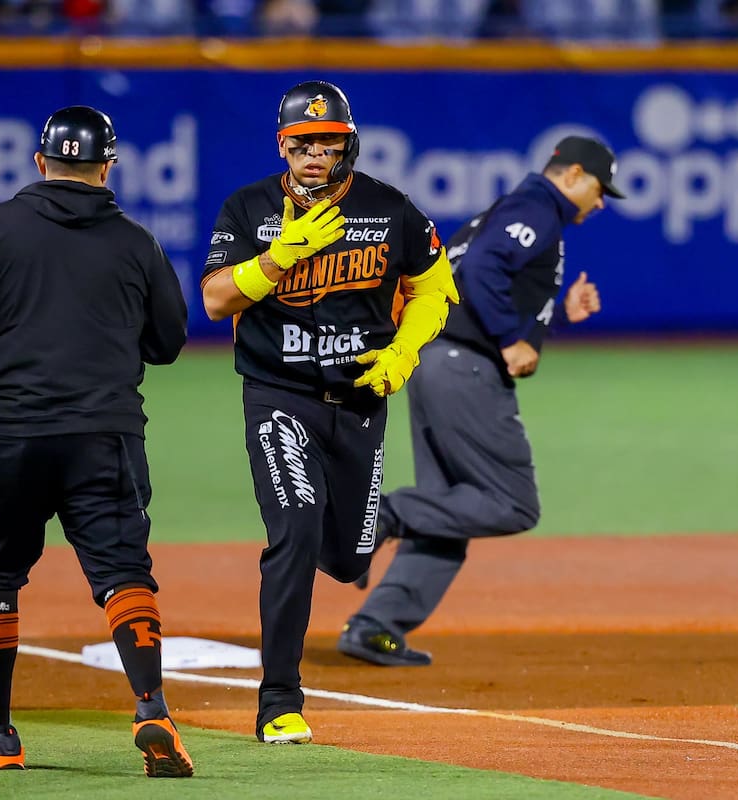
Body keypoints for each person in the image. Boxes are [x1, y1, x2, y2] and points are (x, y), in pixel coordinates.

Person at [0, 105, 194, 777]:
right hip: (105, 436)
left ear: (41, 163)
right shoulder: (137, 242)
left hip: (13, 436)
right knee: (124, 573)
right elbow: (168, 343)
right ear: (108, 168)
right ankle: (151, 706)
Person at [201, 79, 459, 743]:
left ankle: (340, 545)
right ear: (282, 147)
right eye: (302, 143)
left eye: (328, 143)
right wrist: (275, 259)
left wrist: (404, 352)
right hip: (278, 396)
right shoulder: (250, 208)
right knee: (294, 530)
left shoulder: (389, 209)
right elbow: (216, 299)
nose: (314, 155)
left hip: (360, 400)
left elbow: (434, 289)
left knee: (347, 558)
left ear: (349, 146)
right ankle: (279, 702)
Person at [337, 135, 621, 667]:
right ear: (574, 175)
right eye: (601, 189)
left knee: (450, 509)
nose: (602, 202)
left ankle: (377, 624)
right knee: (512, 503)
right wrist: (512, 339)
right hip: (464, 368)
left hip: (436, 360)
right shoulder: (537, 207)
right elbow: (482, 270)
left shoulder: (509, 209)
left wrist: (558, 316)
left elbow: (479, 284)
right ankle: (378, 517)